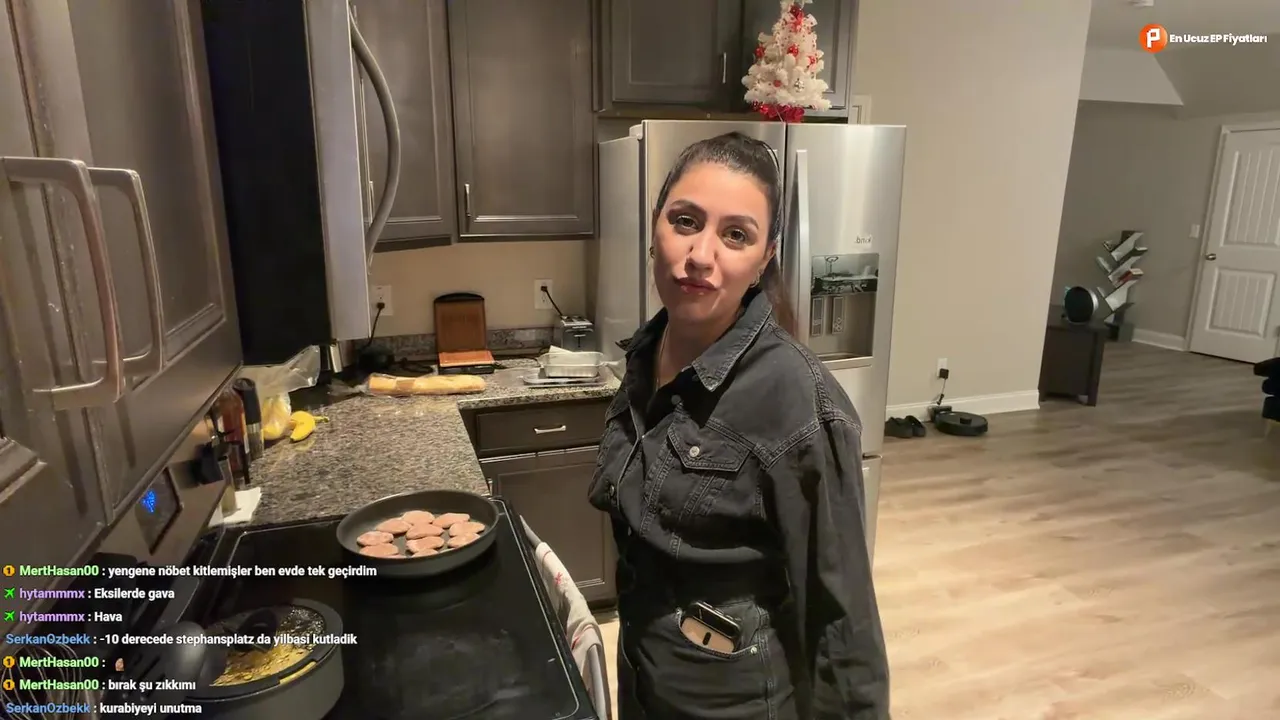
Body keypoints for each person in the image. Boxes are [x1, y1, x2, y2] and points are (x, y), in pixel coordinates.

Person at [588, 132, 890, 720]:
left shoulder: (797, 403)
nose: (701, 254)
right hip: (645, 684)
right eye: (685, 221)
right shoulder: (648, 352)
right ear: (655, 227)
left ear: (764, 258)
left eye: (736, 235)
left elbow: (842, 629)